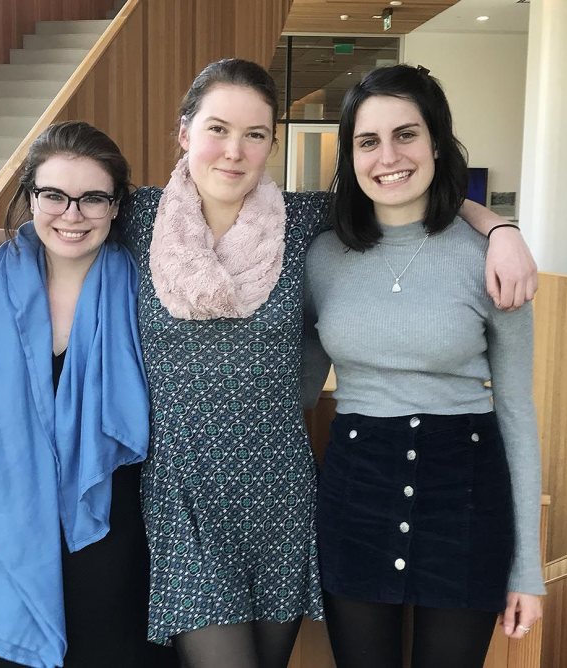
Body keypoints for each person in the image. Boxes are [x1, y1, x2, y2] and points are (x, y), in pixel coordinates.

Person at [114, 58, 539, 668]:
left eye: (256, 134)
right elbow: (62, 219)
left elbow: (397, 196)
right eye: (217, 129)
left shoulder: (306, 227)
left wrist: (500, 226)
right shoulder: (150, 219)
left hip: (320, 490)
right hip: (212, 493)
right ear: (185, 133)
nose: (235, 151)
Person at [302, 64, 544, 668]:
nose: (388, 156)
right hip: (354, 494)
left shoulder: (490, 259)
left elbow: (516, 413)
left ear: (435, 141)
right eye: (367, 141)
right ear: (351, 155)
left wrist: (528, 569)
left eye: (405, 134)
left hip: (465, 494)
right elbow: (296, 394)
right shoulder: (320, 255)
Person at [0, 121, 176, 668]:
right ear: (30, 198)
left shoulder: (149, 282)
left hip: (114, 515)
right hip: (8, 507)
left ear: (119, 206)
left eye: (93, 198)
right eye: (53, 195)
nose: (72, 214)